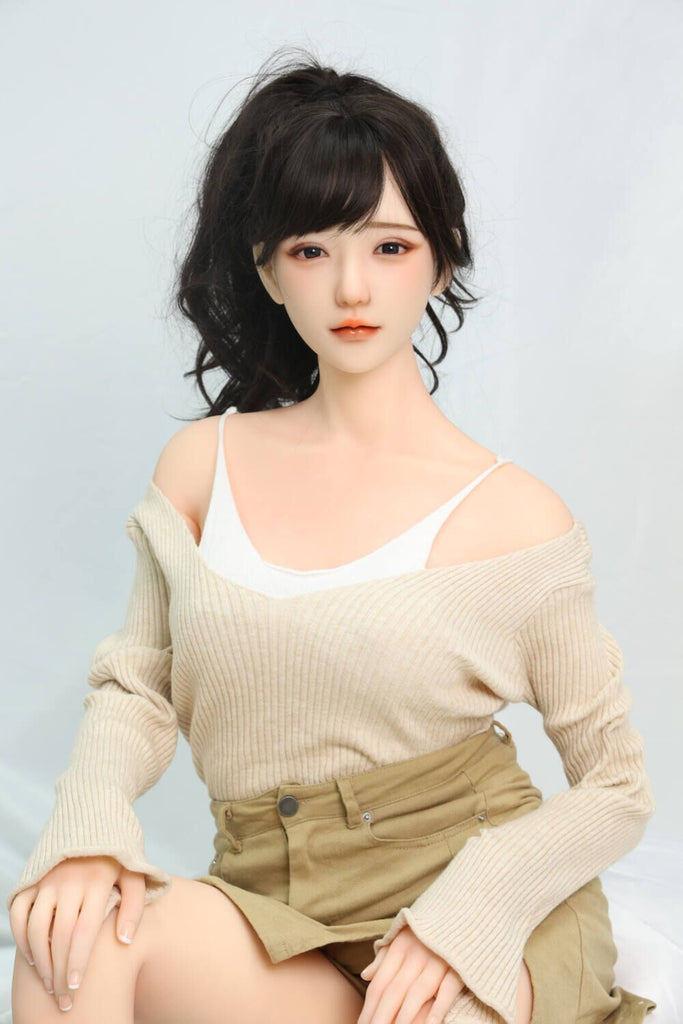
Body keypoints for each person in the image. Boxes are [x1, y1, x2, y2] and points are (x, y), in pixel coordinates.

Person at [7, 48, 658, 1024]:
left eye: (389, 247)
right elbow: (138, 684)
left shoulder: (516, 517)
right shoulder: (201, 467)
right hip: (275, 907)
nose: (352, 287)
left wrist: (469, 910)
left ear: (441, 259)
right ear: (267, 270)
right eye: (311, 250)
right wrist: (88, 831)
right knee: (68, 944)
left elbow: (616, 785)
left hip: (482, 900)